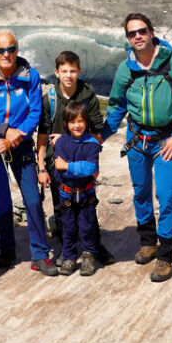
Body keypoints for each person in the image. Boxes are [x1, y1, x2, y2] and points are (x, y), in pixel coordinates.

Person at [103, 14, 172, 283]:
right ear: (127, 38)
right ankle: (148, 242)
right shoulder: (126, 69)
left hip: (165, 142)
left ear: (151, 32)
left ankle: (166, 257)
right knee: (141, 192)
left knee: (167, 197)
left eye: (142, 31)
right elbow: (116, 106)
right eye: (132, 33)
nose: (137, 36)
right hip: (136, 140)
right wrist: (100, 136)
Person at [0, 30, 57, 276]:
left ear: (17, 49)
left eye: (10, 49)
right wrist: (3, 131)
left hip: (20, 143)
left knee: (32, 198)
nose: (6, 54)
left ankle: (40, 254)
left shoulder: (30, 76)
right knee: (2, 200)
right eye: (0, 50)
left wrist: (17, 134)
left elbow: (35, 112)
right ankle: (7, 249)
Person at [36, 50, 114, 265]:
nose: (68, 75)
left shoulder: (88, 95)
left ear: (79, 71)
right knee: (62, 208)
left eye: (72, 71)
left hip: (82, 162)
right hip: (57, 164)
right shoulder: (50, 99)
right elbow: (42, 136)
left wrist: (70, 139)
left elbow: (98, 131)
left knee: (88, 207)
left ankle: (94, 246)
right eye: (64, 71)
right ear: (56, 73)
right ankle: (67, 249)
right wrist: (41, 167)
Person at [52, 103, 103, 277]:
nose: (77, 125)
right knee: (68, 227)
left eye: (80, 121)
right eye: (73, 122)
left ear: (86, 122)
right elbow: (61, 169)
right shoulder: (61, 143)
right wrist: (77, 169)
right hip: (67, 195)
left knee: (87, 226)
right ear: (66, 124)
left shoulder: (92, 143)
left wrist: (67, 166)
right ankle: (69, 256)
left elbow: (91, 168)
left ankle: (88, 255)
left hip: (86, 194)